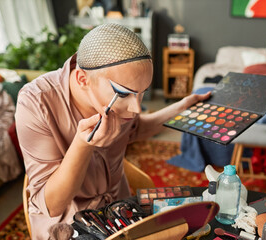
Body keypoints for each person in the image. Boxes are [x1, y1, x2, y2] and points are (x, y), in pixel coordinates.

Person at [15, 23, 210, 239]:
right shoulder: (35, 102)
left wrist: (183, 107)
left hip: (120, 209)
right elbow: (52, 205)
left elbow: (135, 129)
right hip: (67, 222)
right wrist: (83, 146)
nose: (136, 108)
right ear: (82, 79)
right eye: (124, 94)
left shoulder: (121, 97)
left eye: (142, 93)